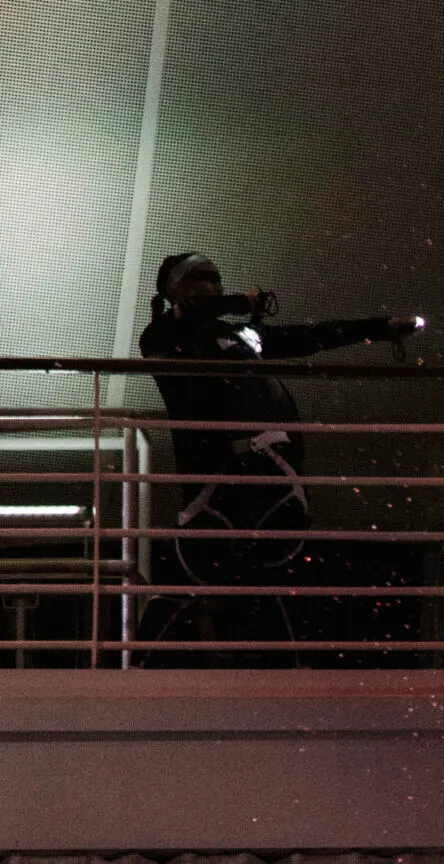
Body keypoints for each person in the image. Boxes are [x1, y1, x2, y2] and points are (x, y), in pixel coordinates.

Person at [138, 252, 421, 645]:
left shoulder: (241, 337)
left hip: (268, 474)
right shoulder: (161, 337)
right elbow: (177, 342)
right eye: (205, 278)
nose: (217, 284)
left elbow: (310, 337)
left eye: (219, 278)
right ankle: (142, 661)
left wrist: (381, 328)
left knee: (277, 580)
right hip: (214, 479)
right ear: (179, 289)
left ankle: (294, 662)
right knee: (191, 583)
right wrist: (235, 304)